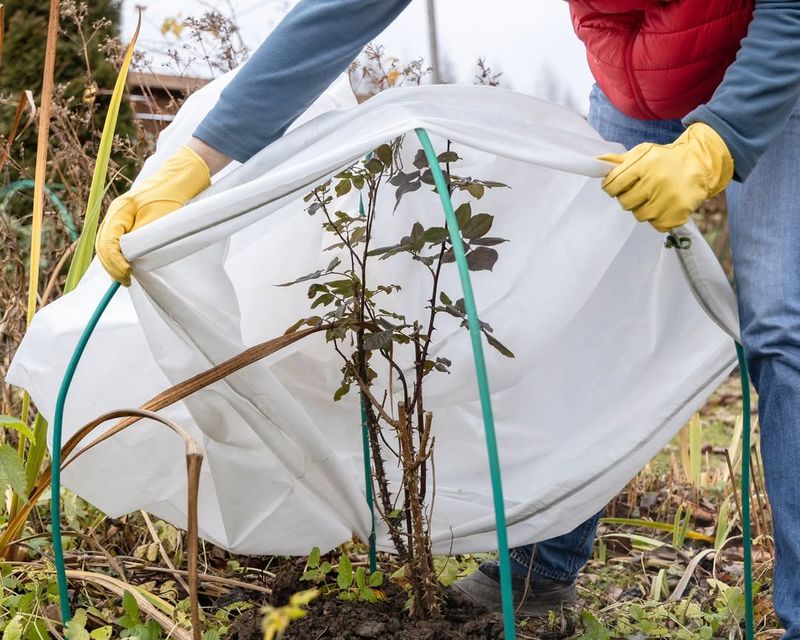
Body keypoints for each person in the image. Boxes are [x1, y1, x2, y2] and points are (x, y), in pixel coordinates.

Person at [95, 1, 800, 636]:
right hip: (641, 76)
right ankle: (539, 569)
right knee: (579, 302)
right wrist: (197, 159)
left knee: (782, 326)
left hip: (778, 54)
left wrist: (721, 141)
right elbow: (348, 8)